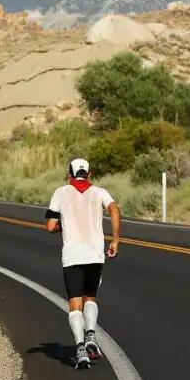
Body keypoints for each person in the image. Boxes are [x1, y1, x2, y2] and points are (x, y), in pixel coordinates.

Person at [45, 158, 122, 369]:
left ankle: (80, 348)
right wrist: (115, 239)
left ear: (69, 174)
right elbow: (114, 209)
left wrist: (65, 225)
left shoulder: (60, 193)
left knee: (74, 302)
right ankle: (91, 336)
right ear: (90, 174)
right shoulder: (100, 192)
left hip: (72, 256)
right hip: (95, 254)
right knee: (91, 297)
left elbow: (50, 226)